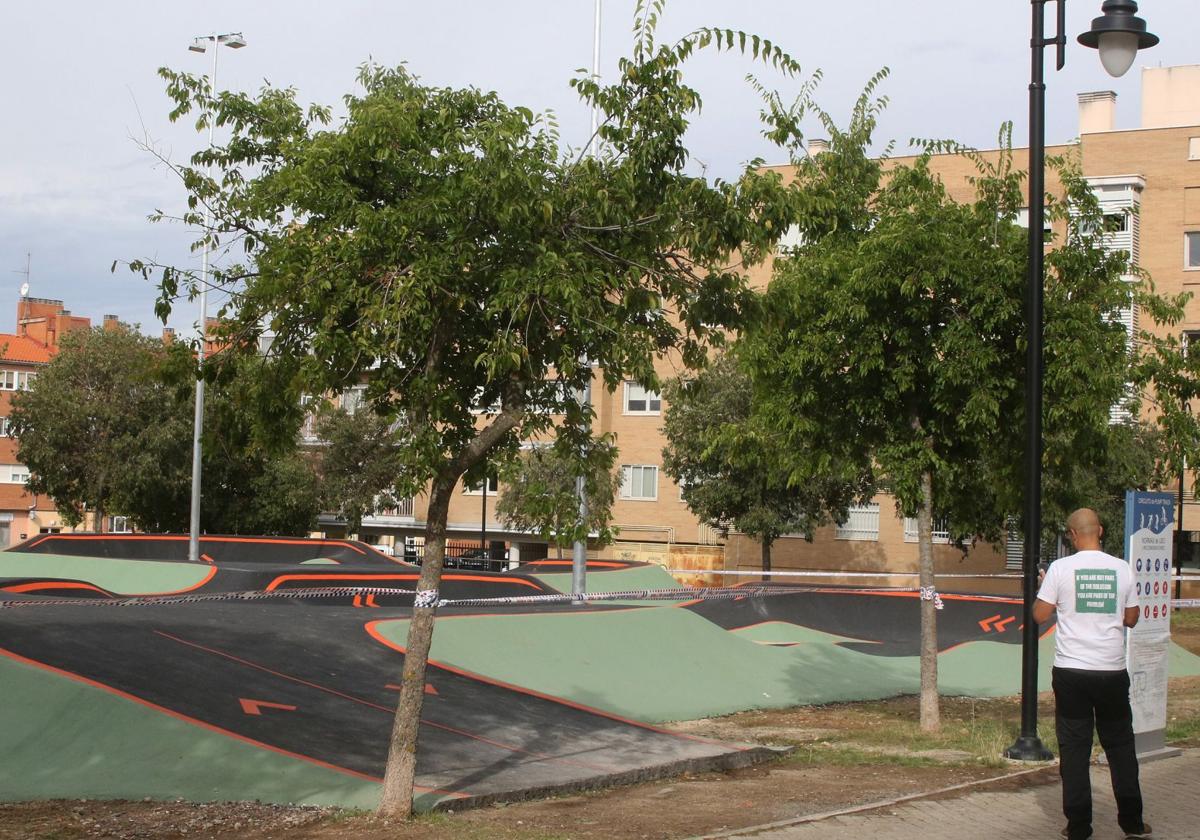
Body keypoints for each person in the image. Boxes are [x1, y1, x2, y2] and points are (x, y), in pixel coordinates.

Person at [1034, 508, 1152, 840]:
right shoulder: (1121, 568)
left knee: (1074, 749)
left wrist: (1048, 589)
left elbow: (1039, 614)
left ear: (1071, 535)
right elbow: (1131, 619)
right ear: (1099, 530)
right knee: (1120, 747)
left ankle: (1079, 827)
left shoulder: (1060, 569)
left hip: (1071, 672)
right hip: (1111, 671)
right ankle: (1132, 822)